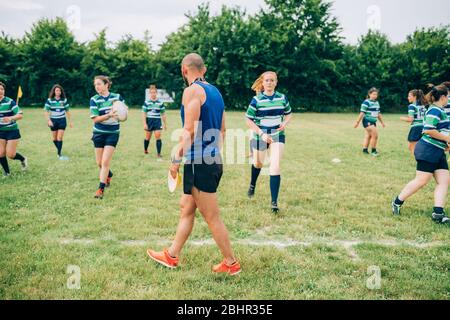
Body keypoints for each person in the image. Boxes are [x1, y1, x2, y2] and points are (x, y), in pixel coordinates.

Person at [147, 53, 241, 276]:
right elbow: (222, 130)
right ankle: (171, 255)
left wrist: (175, 160)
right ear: (204, 69)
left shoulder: (191, 91)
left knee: (212, 217)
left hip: (199, 163)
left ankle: (231, 263)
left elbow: (189, 130)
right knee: (186, 208)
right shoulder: (216, 92)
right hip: (210, 160)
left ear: (183, 70)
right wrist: (211, 153)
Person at [392, 85, 450, 225]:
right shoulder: (435, 110)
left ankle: (438, 213)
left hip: (437, 150)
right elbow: (428, 130)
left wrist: (445, 143)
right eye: (448, 96)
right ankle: (396, 202)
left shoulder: (439, 110)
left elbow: (440, 130)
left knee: (444, 181)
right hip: (428, 150)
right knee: (421, 181)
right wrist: (447, 139)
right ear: (442, 97)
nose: (448, 99)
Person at [245, 71, 293, 214]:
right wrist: (261, 133)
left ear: (276, 82)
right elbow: (248, 119)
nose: (270, 83)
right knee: (258, 163)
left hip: (278, 135)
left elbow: (289, 113)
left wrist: (285, 123)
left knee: (275, 166)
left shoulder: (282, 98)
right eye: (267, 80)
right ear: (263, 82)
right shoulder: (257, 100)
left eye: (272, 80)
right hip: (260, 136)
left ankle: (274, 203)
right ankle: (252, 185)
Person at [89, 76, 124, 199]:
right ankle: (109, 174)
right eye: (95, 85)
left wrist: (122, 114)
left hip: (112, 133)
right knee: (99, 163)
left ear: (106, 84)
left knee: (105, 162)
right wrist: (109, 115)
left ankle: (100, 189)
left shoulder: (117, 97)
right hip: (98, 132)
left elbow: (124, 112)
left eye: (99, 84)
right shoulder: (94, 99)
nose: (97, 87)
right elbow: (95, 119)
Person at [0, 82, 28, 177]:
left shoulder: (9, 101)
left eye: (2, 89)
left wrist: (11, 118)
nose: (0, 91)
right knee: (0, 153)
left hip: (12, 131)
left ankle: (23, 159)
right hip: (0, 131)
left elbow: (20, 115)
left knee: (11, 155)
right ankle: (7, 173)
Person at [354, 88, 386, 156]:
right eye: (373, 94)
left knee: (368, 136)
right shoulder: (366, 102)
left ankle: (365, 150)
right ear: (369, 94)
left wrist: (382, 122)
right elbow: (362, 113)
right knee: (375, 135)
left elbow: (378, 114)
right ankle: (373, 151)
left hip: (373, 122)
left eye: (376, 94)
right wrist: (357, 122)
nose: (375, 95)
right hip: (367, 121)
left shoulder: (377, 103)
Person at [44, 84, 73, 160]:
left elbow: (68, 111)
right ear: (54, 91)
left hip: (62, 120)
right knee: (54, 139)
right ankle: (59, 149)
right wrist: (49, 120)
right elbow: (46, 111)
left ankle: (59, 154)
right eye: (56, 90)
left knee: (59, 137)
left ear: (61, 91)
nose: (58, 92)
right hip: (53, 121)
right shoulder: (50, 100)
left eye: (59, 90)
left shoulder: (64, 100)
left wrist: (70, 121)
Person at [142, 85, 167, 159]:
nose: (153, 94)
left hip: (157, 121)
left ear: (156, 93)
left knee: (158, 137)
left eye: (154, 92)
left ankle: (159, 153)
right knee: (147, 137)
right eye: (152, 93)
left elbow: (163, 114)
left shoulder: (160, 103)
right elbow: (143, 113)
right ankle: (145, 149)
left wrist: (165, 124)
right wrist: (144, 123)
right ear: (150, 93)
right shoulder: (146, 103)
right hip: (149, 121)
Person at [400, 89, 427, 154]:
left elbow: (410, 119)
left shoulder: (412, 106)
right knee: (412, 146)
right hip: (424, 127)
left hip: (416, 128)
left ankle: (419, 161)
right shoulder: (423, 106)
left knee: (413, 147)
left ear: (414, 97)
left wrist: (402, 118)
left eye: (409, 96)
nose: (408, 98)